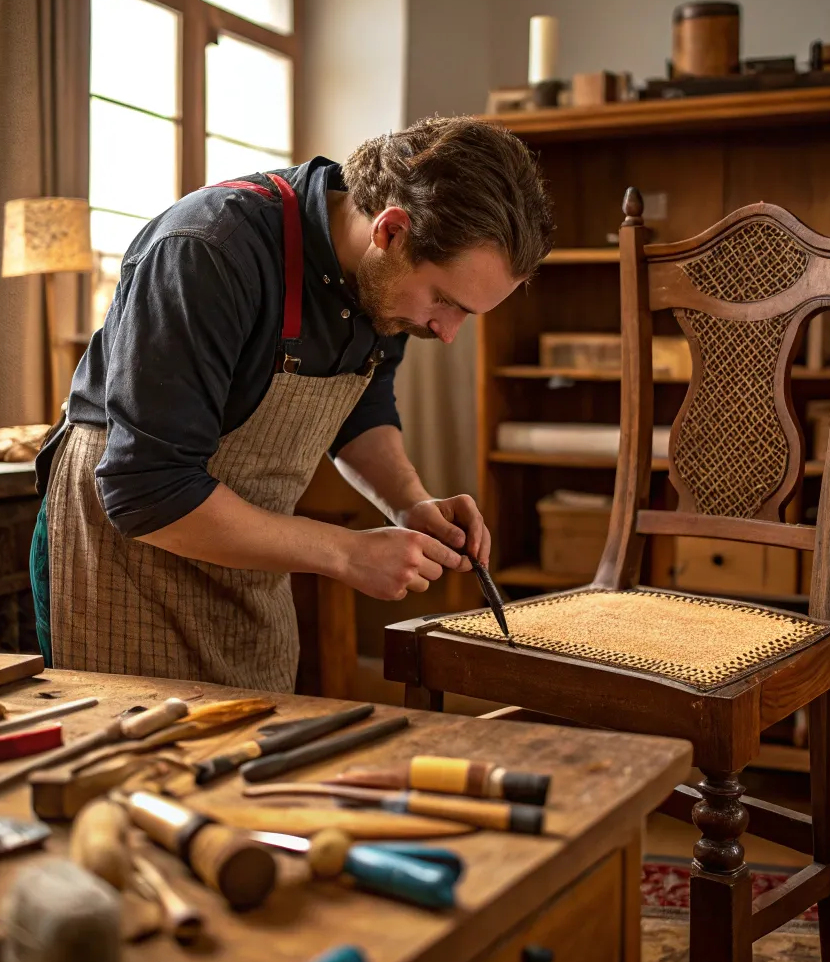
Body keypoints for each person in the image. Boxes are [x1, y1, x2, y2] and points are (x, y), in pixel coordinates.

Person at [29, 116, 554, 691]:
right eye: (445, 301)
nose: (448, 331)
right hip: (120, 560)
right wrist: (346, 554)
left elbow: (360, 412)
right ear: (392, 232)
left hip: (246, 570)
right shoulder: (209, 251)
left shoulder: (386, 291)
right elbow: (147, 490)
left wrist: (410, 502)